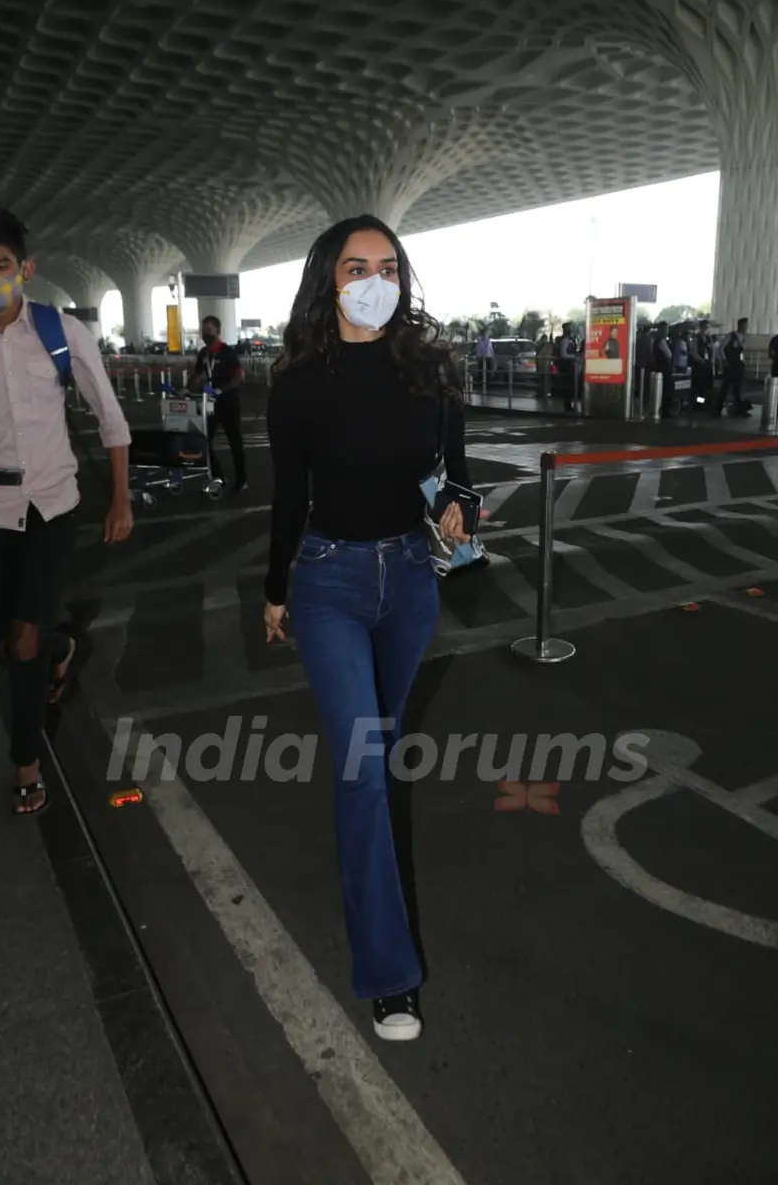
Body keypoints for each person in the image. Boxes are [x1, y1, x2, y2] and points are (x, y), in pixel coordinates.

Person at [263, 215, 476, 1042]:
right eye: (356, 267)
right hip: (328, 584)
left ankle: (367, 876)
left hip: (411, 583)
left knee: (376, 757)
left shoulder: (433, 370)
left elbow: (459, 476)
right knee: (361, 766)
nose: (374, 280)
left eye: (387, 266)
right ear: (329, 279)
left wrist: (462, 506)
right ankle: (390, 974)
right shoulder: (299, 382)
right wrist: (275, 590)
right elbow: (288, 498)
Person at [0, 208, 133, 816]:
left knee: (23, 639)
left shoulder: (61, 332)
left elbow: (110, 417)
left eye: (0, 265)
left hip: (50, 507)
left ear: (25, 269)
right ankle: (62, 647)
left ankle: (26, 761)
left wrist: (119, 499)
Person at [190, 315, 247, 493]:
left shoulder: (227, 352)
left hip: (228, 402)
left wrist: (222, 389)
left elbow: (239, 376)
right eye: (204, 331)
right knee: (204, 440)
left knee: (235, 442)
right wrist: (187, 389)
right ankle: (218, 476)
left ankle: (242, 481)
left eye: (209, 331)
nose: (206, 335)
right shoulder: (204, 354)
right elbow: (196, 376)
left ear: (218, 332)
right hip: (210, 404)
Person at [718, 317, 749, 416]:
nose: (745, 328)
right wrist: (724, 360)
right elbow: (721, 348)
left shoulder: (744, 338)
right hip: (730, 364)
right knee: (725, 386)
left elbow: (742, 351)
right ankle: (718, 407)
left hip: (738, 364)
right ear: (739, 325)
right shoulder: (731, 336)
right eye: (744, 325)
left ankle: (739, 408)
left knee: (737, 387)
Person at [653, 321, 675, 417]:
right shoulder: (661, 341)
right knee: (667, 390)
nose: (666, 331)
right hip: (664, 369)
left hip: (660, 368)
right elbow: (669, 354)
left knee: (664, 390)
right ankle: (665, 410)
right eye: (665, 329)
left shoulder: (657, 340)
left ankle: (664, 409)